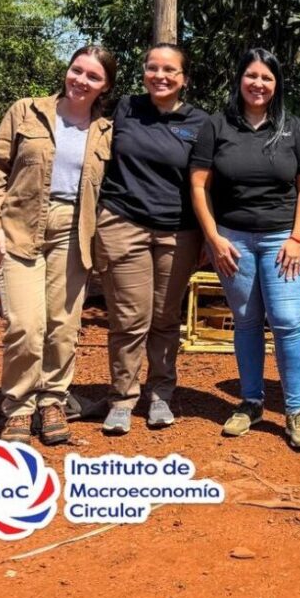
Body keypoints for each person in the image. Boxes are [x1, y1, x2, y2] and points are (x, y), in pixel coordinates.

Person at [0, 44, 117, 444]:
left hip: (74, 231)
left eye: (93, 76)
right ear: (67, 71)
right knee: (24, 324)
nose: (81, 80)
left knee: (63, 326)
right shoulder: (27, 111)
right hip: (20, 226)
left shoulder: (105, 130)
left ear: (104, 85)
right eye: (77, 70)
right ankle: (19, 406)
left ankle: (53, 399)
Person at [190, 48, 300, 448]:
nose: (258, 84)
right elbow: (198, 185)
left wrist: (298, 237)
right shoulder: (217, 126)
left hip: (283, 239)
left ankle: (296, 410)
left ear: (276, 84)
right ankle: (250, 402)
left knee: (286, 320)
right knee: (245, 321)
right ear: (239, 80)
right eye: (251, 76)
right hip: (234, 240)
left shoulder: (292, 128)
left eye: (266, 77)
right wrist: (213, 238)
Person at [95, 43, 209, 434]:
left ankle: (161, 394)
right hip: (122, 224)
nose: (160, 76)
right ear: (143, 71)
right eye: (152, 68)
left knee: (165, 316)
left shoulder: (200, 123)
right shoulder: (124, 108)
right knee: (130, 318)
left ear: (184, 79)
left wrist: (211, 235)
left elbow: (206, 183)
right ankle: (123, 398)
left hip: (179, 232)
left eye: (170, 70)